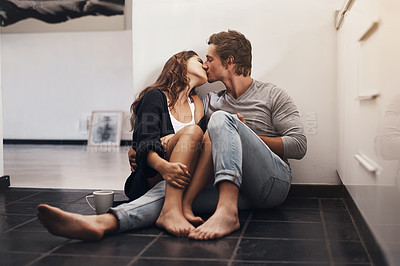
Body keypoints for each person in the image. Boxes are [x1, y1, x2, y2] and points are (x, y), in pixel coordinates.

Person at [37, 50, 213, 240]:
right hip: (156, 172)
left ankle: (104, 222)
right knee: (192, 132)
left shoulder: (197, 103)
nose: (204, 65)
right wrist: (165, 165)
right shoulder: (155, 96)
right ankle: (172, 210)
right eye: (199, 60)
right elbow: (145, 142)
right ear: (181, 63)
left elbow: (202, 144)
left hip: (183, 176)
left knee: (199, 135)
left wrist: (173, 138)